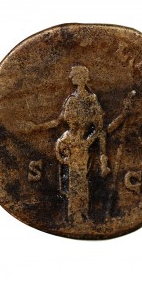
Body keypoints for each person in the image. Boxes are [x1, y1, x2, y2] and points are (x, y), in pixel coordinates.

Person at [45, 66, 110, 223]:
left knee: (78, 177)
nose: (70, 77)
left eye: (73, 75)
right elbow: (59, 121)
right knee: (73, 178)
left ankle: (78, 214)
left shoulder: (91, 100)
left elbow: (100, 129)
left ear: (81, 78)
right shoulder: (71, 100)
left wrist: (87, 143)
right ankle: (76, 214)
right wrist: (36, 127)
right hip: (69, 144)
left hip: (80, 146)